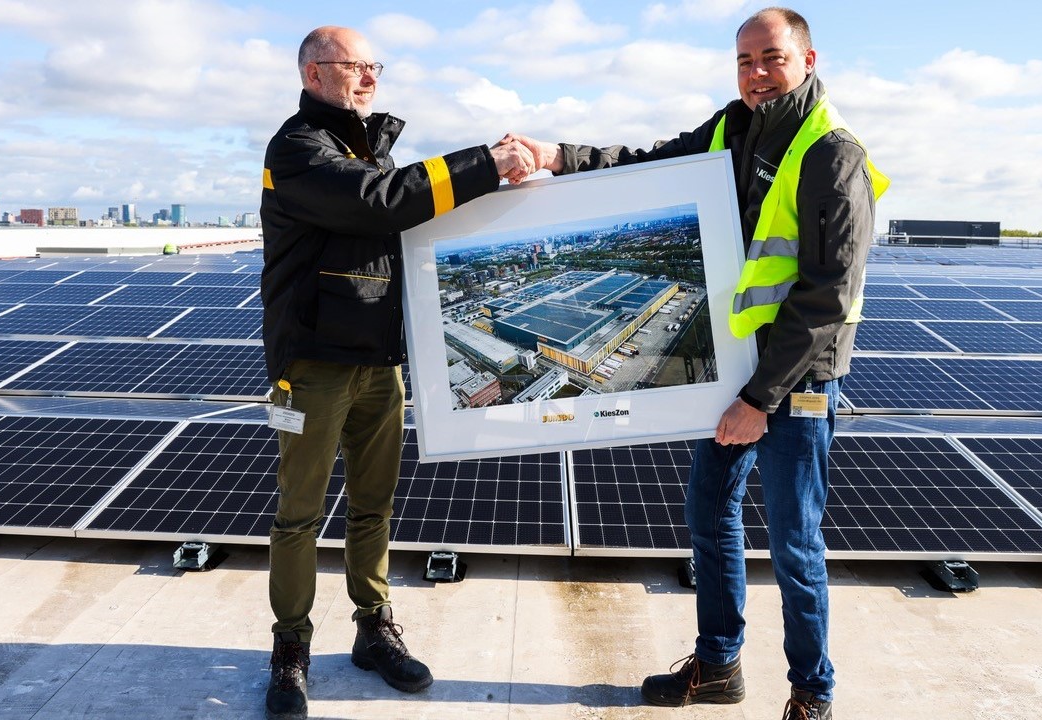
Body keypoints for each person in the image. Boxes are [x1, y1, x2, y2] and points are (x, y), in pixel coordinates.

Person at [504, 7, 887, 719]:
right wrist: (559, 156)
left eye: (771, 57)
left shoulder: (832, 154)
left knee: (796, 546)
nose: (756, 74)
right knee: (710, 518)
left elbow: (828, 297)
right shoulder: (729, 130)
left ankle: (813, 693)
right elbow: (646, 163)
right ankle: (717, 667)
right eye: (744, 61)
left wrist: (759, 398)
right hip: (733, 370)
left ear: (808, 59)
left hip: (792, 384)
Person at [259, 25, 534, 720]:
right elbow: (379, 201)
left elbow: (411, 210)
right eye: (357, 67)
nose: (370, 79)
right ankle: (290, 647)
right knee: (299, 517)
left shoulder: (364, 148)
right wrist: (485, 161)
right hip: (313, 367)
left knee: (373, 508)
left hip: (380, 365)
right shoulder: (298, 150)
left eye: (374, 66)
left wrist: (507, 187)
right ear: (316, 73)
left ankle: (371, 628)